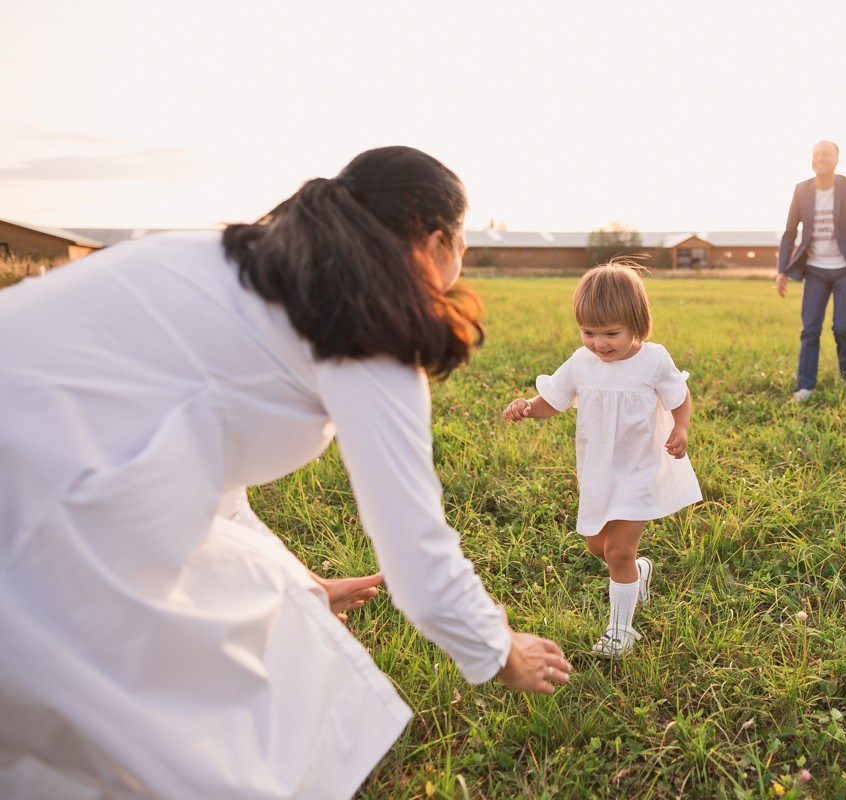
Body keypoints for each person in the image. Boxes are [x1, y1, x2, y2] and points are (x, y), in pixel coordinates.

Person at [0, 146, 572, 800]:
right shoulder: (363, 334)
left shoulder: (223, 264)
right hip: (31, 504)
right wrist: (502, 651)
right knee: (166, 745)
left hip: (44, 469)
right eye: (463, 241)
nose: (462, 256)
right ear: (437, 242)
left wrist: (300, 583)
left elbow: (203, 472)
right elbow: (418, 553)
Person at [502, 261, 701, 658]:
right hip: (598, 473)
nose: (599, 343)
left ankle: (620, 631)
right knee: (598, 546)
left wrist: (681, 428)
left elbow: (680, 397)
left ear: (637, 325)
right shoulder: (581, 362)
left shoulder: (654, 360)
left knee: (618, 552)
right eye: (589, 332)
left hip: (639, 470)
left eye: (611, 333)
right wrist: (527, 407)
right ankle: (639, 573)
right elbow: (553, 401)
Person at [776, 139, 846, 401]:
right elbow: (790, 232)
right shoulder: (802, 190)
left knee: (841, 327)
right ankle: (806, 386)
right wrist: (782, 270)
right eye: (816, 154)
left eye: (826, 154)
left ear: (836, 159)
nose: (820, 158)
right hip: (815, 270)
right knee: (810, 329)